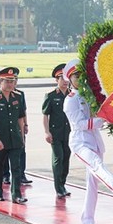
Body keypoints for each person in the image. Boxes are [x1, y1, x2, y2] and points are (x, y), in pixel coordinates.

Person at [62, 59, 113, 224]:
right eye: (75, 76)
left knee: (92, 184)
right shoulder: (70, 100)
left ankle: (88, 221)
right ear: (69, 79)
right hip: (80, 142)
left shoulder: (90, 95)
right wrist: (102, 120)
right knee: (96, 165)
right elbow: (79, 124)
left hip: (95, 141)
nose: (79, 79)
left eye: (81, 75)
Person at [0, 67, 27, 204]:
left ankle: (16, 194)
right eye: (7, 81)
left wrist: (22, 137)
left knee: (16, 167)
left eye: (12, 81)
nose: (10, 84)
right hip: (0, 139)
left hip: (14, 138)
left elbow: (20, 118)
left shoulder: (18, 97)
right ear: (0, 82)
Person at [42, 64, 72, 198]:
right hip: (56, 133)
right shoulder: (50, 96)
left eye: (67, 78)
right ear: (56, 80)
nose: (65, 81)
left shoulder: (73, 94)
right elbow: (45, 115)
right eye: (62, 78)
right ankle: (58, 187)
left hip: (69, 133)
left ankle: (63, 184)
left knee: (66, 158)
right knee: (58, 158)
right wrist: (47, 132)